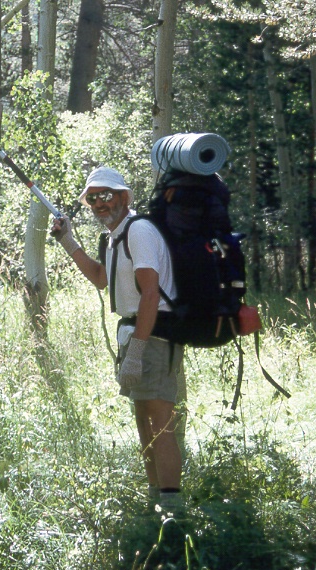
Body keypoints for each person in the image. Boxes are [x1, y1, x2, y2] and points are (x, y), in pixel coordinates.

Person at [51, 166, 184, 512]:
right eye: (92, 198)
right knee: (145, 422)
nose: (99, 203)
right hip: (136, 334)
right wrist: (68, 241)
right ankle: (156, 505)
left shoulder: (138, 231)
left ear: (124, 197)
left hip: (153, 336)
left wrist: (137, 351)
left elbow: (151, 293)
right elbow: (100, 278)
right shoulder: (115, 236)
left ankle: (173, 516)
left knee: (160, 424)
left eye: (106, 195)